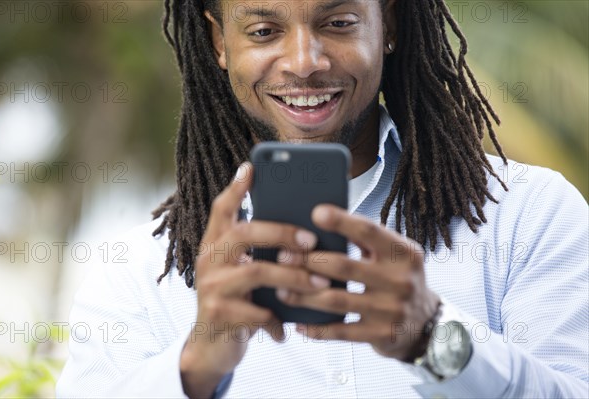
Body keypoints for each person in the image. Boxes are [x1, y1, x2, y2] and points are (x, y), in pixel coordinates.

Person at [57, 0, 588, 397]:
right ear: (219, 43)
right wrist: (194, 365)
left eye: (338, 23)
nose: (304, 62)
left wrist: (436, 338)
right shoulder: (137, 269)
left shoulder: (529, 215)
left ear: (390, 24)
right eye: (264, 31)